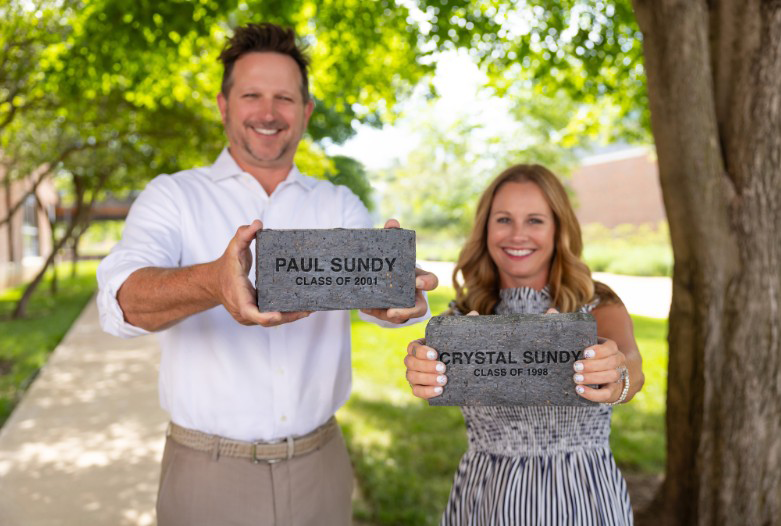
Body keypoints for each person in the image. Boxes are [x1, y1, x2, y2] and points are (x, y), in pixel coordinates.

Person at [97, 23, 436, 526]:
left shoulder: (337, 202)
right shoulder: (173, 195)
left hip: (322, 465)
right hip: (206, 474)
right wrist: (212, 281)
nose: (268, 112)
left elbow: (383, 299)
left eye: (284, 97)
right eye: (252, 94)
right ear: (223, 105)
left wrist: (399, 297)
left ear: (306, 111)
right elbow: (121, 302)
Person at [404, 164, 644, 525]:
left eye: (535, 220)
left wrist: (616, 374)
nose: (518, 235)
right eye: (503, 220)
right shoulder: (465, 313)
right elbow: (431, 379)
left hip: (580, 493)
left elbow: (631, 366)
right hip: (488, 495)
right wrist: (423, 369)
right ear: (485, 228)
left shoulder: (596, 303)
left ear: (558, 228)